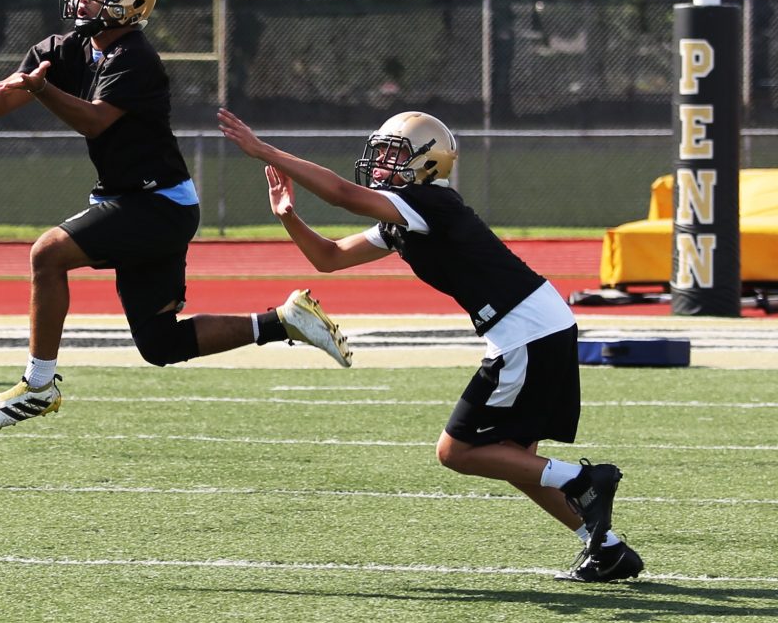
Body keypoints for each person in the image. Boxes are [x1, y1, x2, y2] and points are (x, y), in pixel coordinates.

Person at [0, 0, 351, 428]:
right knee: (161, 344)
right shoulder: (63, 49)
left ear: (132, 1)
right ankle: (284, 321)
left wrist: (42, 89)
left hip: (156, 202)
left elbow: (96, 121)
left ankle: (38, 385)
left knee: (47, 254)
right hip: (140, 201)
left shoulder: (136, 57)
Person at [217, 107, 643, 584]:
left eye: (393, 155)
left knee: (456, 452)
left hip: (525, 330)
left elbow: (341, 195)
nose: (380, 165)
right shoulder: (404, 216)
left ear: (428, 163)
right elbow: (329, 258)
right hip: (537, 326)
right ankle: (606, 548)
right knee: (517, 458)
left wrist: (264, 151)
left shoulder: (430, 203)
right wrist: (288, 215)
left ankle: (585, 480)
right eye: (379, 154)